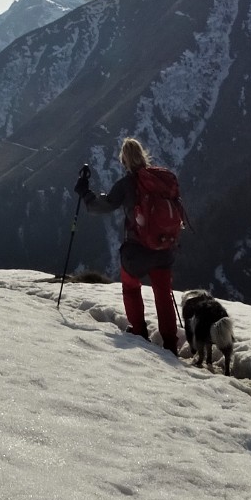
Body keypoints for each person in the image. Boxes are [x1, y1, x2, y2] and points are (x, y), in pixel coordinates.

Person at [75, 138, 180, 355]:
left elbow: (101, 206)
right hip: (163, 247)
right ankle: (170, 342)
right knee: (163, 293)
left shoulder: (127, 185)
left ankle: (139, 331)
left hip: (138, 251)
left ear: (124, 160)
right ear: (143, 155)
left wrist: (85, 192)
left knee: (131, 287)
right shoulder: (161, 180)